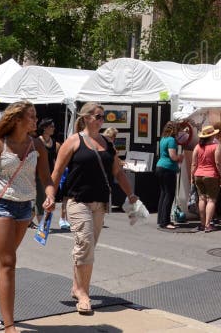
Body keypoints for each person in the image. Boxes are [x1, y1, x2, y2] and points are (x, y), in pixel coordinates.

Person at [0, 100, 56, 332]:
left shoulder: (37, 145)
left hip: (25, 209)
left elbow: (46, 178)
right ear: (17, 120)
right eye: (32, 116)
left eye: (36, 116)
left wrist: (50, 195)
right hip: (1, 206)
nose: (36, 120)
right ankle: (9, 326)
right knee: (8, 262)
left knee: (3, 260)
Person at [50, 102, 138, 316]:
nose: (101, 120)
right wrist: (50, 196)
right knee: (86, 243)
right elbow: (57, 171)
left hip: (100, 203)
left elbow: (118, 172)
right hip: (77, 200)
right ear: (86, 117)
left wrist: (130, 194)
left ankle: (76, 286)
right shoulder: (73, 141)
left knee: (87, 246)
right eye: (98, 116)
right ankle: (83, 294)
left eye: (103, 116)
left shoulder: (107, 143)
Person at [191, 125, 221, 232]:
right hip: (211, 175)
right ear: (212, 135)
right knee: (211, 200)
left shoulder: (197, 147)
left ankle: (202, 223)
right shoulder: (216, 146)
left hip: (198, 175)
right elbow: (218, 163)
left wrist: (192, 176)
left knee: (201, 199)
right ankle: (208, 225)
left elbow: (193, 164)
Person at [154, 121, 183, 230]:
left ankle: (161, 219)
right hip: (167, 169)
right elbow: (173, 156)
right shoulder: (171, 140)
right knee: (169, 195)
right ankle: (165, 222)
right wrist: (180, 157)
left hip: (160, 166)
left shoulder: (163, 139)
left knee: (163, 193)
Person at [34, 119, 60, 226]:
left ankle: (31, 220)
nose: (53, 128)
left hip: (50, 175)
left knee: (47, 198)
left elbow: (55, 160)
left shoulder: (55, 143)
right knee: (40, 198)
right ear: (44, 128)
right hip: (38, 174)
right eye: (51, 126)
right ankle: (42, 225)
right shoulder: (37, 142)